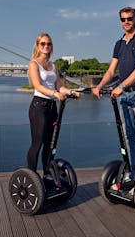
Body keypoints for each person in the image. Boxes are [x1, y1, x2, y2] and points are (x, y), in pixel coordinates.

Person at [92, 6, 135, 183]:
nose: (126, 22)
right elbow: (112, 70)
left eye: (129, 18)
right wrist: (99, 86)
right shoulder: (119, 44)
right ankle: (130, 174)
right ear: (120, 22)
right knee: (127, 137)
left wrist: (121, 86)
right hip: (123, 97)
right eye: (123, 19)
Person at [27, 33, 80, 176]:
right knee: (37, 144)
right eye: (43, 43)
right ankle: (31, 177)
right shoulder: (34, 64)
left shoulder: (53, 66)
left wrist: (71, 91)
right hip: (39, 107)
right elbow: (37, 86)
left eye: (48, 44)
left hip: (51, 108)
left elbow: (59, 86)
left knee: (50, 145)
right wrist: (55, 94)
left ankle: (47, 175)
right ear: (38, 45)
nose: (46, 46)